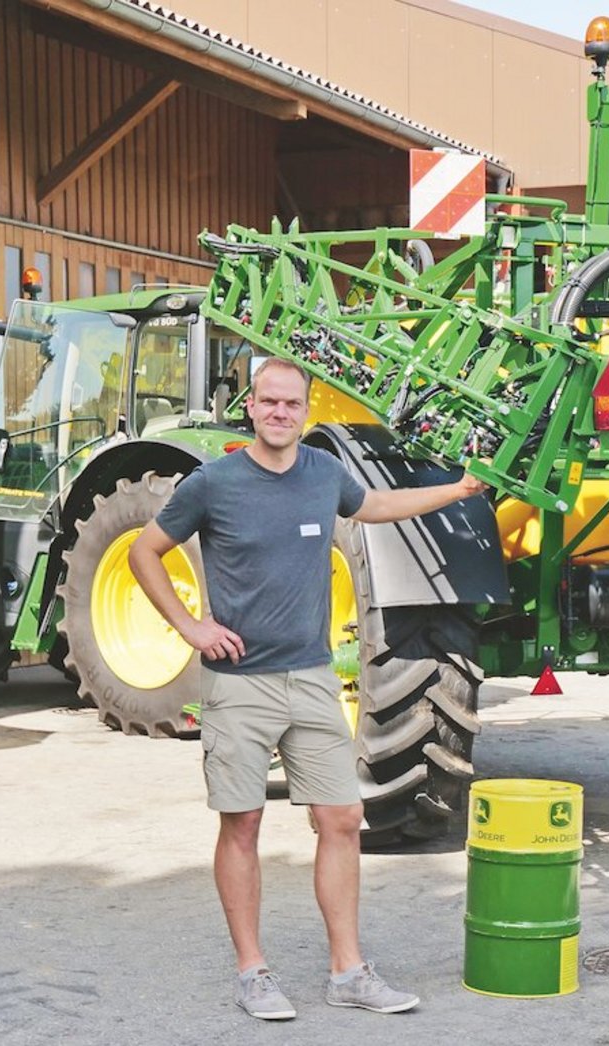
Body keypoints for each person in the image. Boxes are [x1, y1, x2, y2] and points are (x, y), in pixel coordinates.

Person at [128, 356, 487, 1021]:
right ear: (251, 407)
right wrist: (191, 627)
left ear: (305, 410)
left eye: (292, 404)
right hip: (241, 685)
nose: (280, 413)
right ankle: (251, 972)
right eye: (269, 402)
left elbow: (376, 505)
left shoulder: (324, 474)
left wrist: (457, 491)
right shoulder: (214, 483)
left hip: (314, 680)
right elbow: (142, 551)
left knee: (342, 820)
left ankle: (348, 971)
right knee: (243, 824)